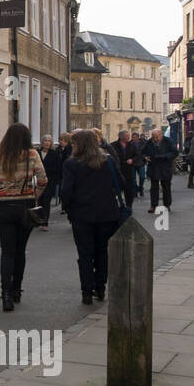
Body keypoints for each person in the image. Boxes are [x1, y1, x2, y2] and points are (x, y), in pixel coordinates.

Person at [0, 123, 46, 312]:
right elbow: (43, 180)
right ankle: (17, 289)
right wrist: (35, 197)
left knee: (7, 252)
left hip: (4, 208)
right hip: (25, 208)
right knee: (20, 251)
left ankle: (6, 294)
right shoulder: (32, 155)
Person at [60, 129, 123, 305]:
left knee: (85, 254)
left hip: (82, 215)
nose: (72, 145)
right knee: (102, 251)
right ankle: (100, 288)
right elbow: (121, 183)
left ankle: (87, 291)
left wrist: (69, 209)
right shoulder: (108, 161)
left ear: (80, 144)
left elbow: (66, 191)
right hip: (107, 214)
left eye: (74, 143)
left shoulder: (71, 164)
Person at [142, 127, 177, 211]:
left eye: (157, 137)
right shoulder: (149, 142)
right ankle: (153, 206)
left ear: (161, 135)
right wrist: (145, 157)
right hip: (153, 167)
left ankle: (167, 205)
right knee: (154, 188)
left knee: (166, 187)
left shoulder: (168, 141)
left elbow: (175, 152)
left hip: (165, 167)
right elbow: (142, 152)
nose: (155, 139)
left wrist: (163, 157)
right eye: (153, 137)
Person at [106, 129, 137, 214]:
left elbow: (137, 155)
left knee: (129, 189)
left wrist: (132, 160)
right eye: (127, 136)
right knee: (116, 188)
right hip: (117, 169)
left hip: (128, 170)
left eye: (128, 136)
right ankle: (116, 206)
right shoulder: (113, 145)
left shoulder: (132, 145)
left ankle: (129, 206)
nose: (128, 137)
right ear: (121, 137)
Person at [37, 135, 62, 230]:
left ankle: (44, 222)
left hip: (49, 182)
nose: (47, 142)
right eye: (45, 140)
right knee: (39, 201)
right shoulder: (37, 153)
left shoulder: (54, 154)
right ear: (42, 142)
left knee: (46, 201)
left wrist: (56, 181)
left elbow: (58, 168)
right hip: (37, 181)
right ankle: (39, 219)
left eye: (49, 141)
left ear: (51, 143)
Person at [130, 132, 147, 196]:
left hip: (141, 163)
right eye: (132, 137)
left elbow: (145, 152)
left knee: (142, 177)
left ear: (137, 137)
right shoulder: (130, 144)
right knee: (133, 179)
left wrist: (145, 157)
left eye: (134, 137)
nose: (133, 138)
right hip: (133, 164)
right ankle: (135, 190)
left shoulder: (143, 143)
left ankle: (140, 188)